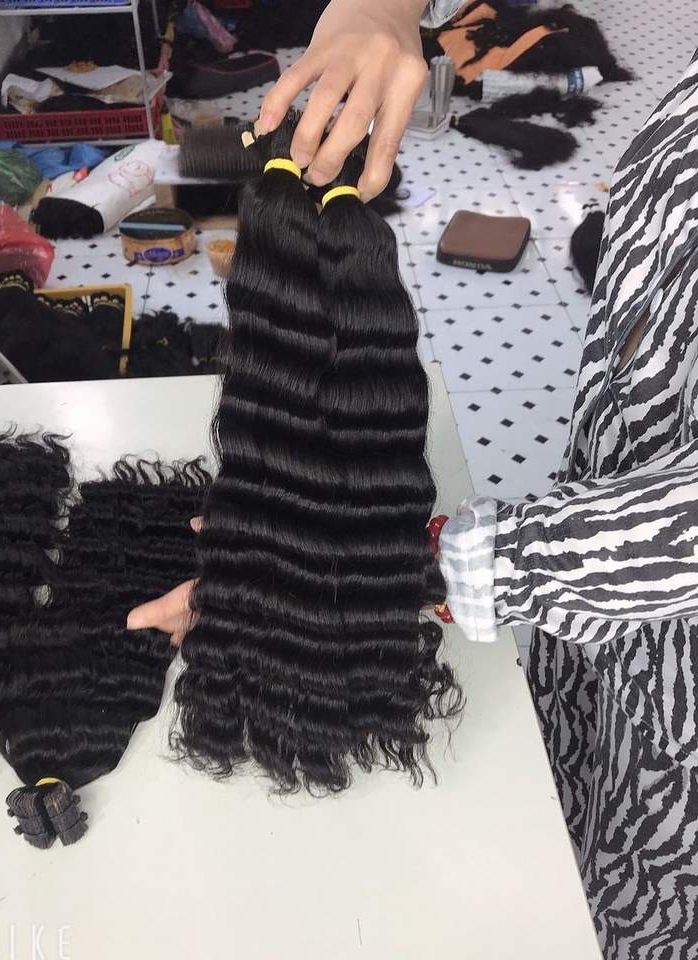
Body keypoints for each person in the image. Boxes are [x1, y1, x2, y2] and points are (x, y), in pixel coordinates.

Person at [128, 2, 698, 956]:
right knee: (548, 788)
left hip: (675, 729)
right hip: (590, 597)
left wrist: (397, 569)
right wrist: (380, 8)